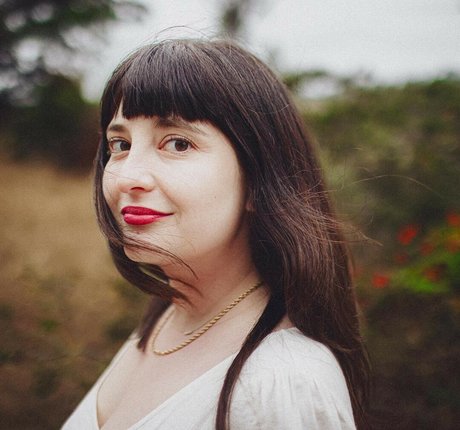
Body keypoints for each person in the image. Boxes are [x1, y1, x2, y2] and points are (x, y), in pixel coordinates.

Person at [62, 38, 370, 430]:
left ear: (258, 178)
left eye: (177, 143)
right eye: (120, 144)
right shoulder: (169, 314)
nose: (127, 177)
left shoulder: (283, 383)